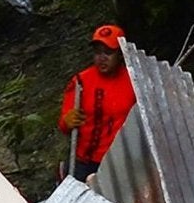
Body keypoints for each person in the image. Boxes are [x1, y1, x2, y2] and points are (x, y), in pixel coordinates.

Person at [56, 25, 135, 179]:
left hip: (118, 161)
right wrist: (67, 121)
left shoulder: (135, 81)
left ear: (120, 54)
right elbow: (64, 124)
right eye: (98, 52)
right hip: (82, 161)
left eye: (108, 52)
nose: (102, 58)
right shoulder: (80, 81)